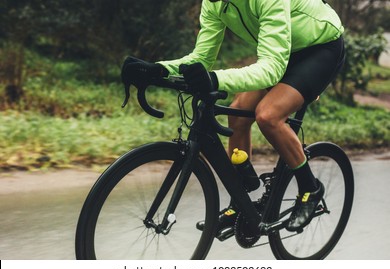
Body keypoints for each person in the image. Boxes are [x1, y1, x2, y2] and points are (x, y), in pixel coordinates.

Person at [121, 0, 345, 233]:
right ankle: (241, 201)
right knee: (237, 115)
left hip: (321, 47)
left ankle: (310, 189)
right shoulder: (213, 3)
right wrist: (159, 69)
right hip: (284, 49)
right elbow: (202, 58)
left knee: (268, 115)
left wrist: (214, 79)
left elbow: (271, 69)